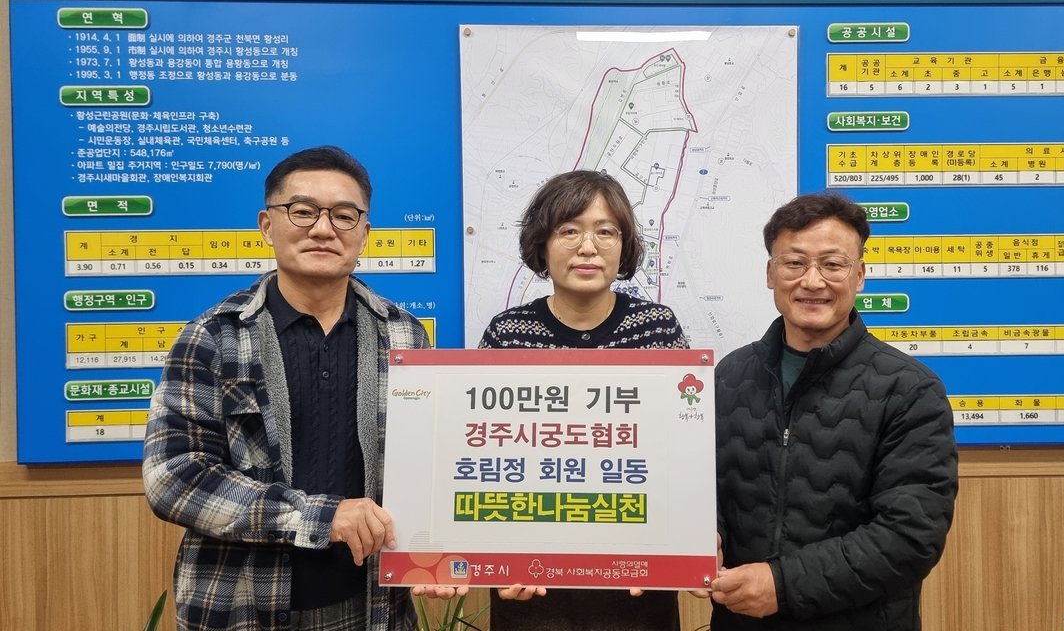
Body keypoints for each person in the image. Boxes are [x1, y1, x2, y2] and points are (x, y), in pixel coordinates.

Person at [143, 146, 445, 631]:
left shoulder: (405, 335)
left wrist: (439, 552)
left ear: (364, 234)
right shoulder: (212, 338)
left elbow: (427, 467)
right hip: (242, 607)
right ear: (267, 225)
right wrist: (321, 518)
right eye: (302, 211)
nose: (323, 229)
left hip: (373, 609)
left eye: (344, 215)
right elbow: (175, 478)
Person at [709, 192, 957, 630]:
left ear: (858, 276)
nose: (812, 281)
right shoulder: (730, 375)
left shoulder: (910, 389)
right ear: (770, 273)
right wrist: (703, 537)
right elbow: (706, 490)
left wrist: (783, 584)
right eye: (794, 263)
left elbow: (910, 536)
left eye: (832, 264)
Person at [479, 169, 689, 630]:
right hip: (531, 577)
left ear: (624, 245)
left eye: (605, 231)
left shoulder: (656, 328)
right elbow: (485, 452)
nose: (588, 247)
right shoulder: (508, 333)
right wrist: (496, 558)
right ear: (542, 244)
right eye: (569, 231)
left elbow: (683, 450)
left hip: (638, 573)